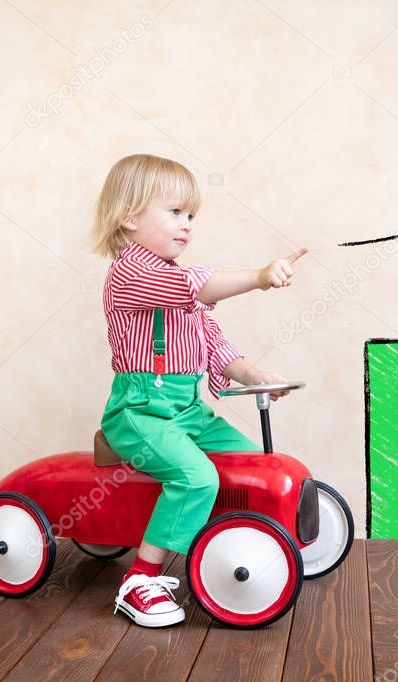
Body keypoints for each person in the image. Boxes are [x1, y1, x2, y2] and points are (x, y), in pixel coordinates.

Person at [88, 153, 308, 627]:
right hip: (141, 411)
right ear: (129, 217)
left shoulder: (177, 282)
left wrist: (253, 376)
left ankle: (241, 548)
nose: (186, 225)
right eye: (174, 212)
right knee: (197, 477)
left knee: (249, 466)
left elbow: (214, 341)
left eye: (191, 216)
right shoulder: (133, 275)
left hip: (187, 409)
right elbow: (196, 288)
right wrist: (258, 277)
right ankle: (140, 580)